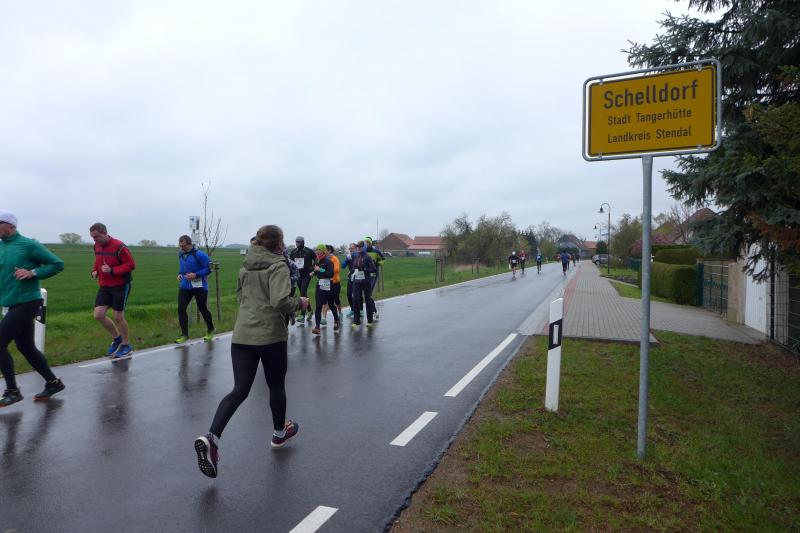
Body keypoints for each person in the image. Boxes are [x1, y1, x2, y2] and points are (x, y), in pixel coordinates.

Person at [194, 225, 309, 478]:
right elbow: (280, 300)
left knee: (240, 389)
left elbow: (240, 297)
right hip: (270, 336)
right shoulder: (278, 265)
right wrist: (299, 303)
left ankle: (212, 437)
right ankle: (279, 434)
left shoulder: (245, 265)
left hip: (242, 335)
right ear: (279, 244)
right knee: (275, 385)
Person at [0, 210, 66, 407]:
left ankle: (12, 391)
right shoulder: (2, 246)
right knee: (26, 347)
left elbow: (57, 264)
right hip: (11, 303)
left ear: (11, 225)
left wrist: (33, 272)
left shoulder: (28, 245)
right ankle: (53, 383)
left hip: (27, 301)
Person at [90, 222, 136, 359]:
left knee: (118, 317)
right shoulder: (96, 245)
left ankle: (126, 345)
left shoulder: (119, 246)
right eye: (92, 237)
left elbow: (131, 264)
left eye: (96, 237)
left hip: (120, 285)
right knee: (98, 315)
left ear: (104, 233)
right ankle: (117, 339)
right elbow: (98, 261)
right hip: (104, 285)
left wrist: (113, 270)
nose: (94, 240)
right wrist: (94, 271)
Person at [174, 235, 215, 344]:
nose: (181, 247)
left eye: (183, 246)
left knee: (202, 308)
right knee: (181, 308)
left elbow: (210, 268)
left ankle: (210, 329)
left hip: (199, 286)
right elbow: (182, 269)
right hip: (185, 285)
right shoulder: (181, 254)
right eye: (180, 245)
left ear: (190, 244)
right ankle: (184, 335)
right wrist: (180, 274)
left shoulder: (199, 254)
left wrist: (196, 275)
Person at [310, 244, 340, 335]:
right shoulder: (317, 261)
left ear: (324, 252)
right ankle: (317, 327)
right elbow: (317, 270)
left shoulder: (328, 261)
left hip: (328, 284)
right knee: (318, 306)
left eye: (319, 253)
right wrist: (313, 273)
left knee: (331, 304)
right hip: (320, 284)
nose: (318, 255)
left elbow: (331, 274)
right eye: (317, 253)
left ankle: (336, 320)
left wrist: (320, 270)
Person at [350, 241, 377, 328]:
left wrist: (364, 269)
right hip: (357, 281)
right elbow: (353, 267)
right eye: (358, 247)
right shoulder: (355, 256)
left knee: (367, 300)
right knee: (355, 299)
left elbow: (373, 269)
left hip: (366, 281)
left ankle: (370, 321)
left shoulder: (367, 257)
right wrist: (353, 271)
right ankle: (356, 321)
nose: (358, 248)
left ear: (364, 247)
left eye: (360, 247)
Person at [289, 237, 315, 324]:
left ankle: (302, 315)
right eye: (296, 242)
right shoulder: (293, 252)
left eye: (299, 242)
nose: (297, 243)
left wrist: (312, 269)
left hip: (307, 275)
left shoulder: (308, 251)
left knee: (303, 292)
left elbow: (316, 259)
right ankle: (310, 310)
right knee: (303, 293)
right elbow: (290, 263)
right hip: (298, 275)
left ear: (303, 242)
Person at [364, 237, 385, 319]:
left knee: (368, 294)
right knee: (367, 295)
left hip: (373, 274)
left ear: (371, 243)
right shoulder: (363, 252)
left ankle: (373, 312)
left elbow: (383, 260)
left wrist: (377, 264)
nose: (367, 244)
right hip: (364, 275)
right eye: (366, 242)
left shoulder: (376, 251)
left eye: (368, 242)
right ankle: (373, 312)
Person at [320, 245, 342, 325]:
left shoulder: (334, 258)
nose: (324, 251)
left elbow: (336, 270)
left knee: (336, 300)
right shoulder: (323, 259)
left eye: (325, 250)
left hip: (335, 282)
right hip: (326, 283)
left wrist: (327, 269)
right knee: (325, 301)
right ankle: (324, 318)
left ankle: (340, 313)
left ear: (329, 251)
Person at [341, 243, 357, 318]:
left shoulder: (358, 255)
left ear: (355, 248)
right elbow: (343, 266)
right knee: (349, 294)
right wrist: (347, 259)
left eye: (352, 248)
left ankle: (360, 310)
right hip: (351, 276)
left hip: (358, 276)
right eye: (350, 249)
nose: (350, 250)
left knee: (357, 294)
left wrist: (353, 256)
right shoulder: (349, 256)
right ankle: (352, 309)